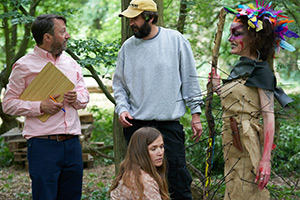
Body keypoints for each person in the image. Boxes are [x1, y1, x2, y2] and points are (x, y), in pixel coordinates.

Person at [113, 0, 204, 199]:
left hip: (168, 127)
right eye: (130, 20)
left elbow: (190, 79)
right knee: (138, 183)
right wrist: (122, 108)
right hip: (136, 127)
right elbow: (119, 85)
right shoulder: (127, 48)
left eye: (135, 19)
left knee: (178, 183)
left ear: (150, 17)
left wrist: (196, 113)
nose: (131, 24)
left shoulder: (176, 40)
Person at [209, 1, 298, 199]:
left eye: (237, 33)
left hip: (248, 143)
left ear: (254, 37)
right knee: (234, 191)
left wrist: (265, 160)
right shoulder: (240, 67)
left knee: (248, 192)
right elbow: (238, 103)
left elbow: (268, 116)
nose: (230, 38)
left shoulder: (261, 70)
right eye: (231, 33)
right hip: (231, 142)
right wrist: (217, 87)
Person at [2, 14, 90, 200]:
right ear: (47, 37)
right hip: (43, 146)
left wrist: (76, 97)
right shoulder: (24, 66)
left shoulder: (71, 63)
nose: (68, 36)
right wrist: (40, 106)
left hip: (73, 144)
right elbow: (8, 104)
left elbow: (84, 98)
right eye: (62, 31)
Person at [109, 127, 170, 200]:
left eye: (161, 146)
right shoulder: (144, 181)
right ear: (141, 152)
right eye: (153, 149)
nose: (160, 153)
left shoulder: (132, 172)